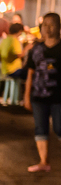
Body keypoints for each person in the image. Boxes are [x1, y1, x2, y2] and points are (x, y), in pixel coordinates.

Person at [22, 12, 61, 173]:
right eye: (45, 25)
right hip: (38, 94)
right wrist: (26, 96)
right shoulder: (36, 49)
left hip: (58, 96)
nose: (48, 28)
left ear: (58, 27)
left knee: (59, 127)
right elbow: (30, 73)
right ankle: (43, 161)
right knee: (40, 128)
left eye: (52, 25)